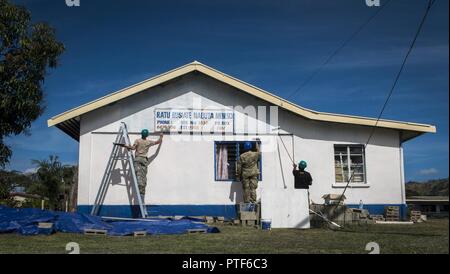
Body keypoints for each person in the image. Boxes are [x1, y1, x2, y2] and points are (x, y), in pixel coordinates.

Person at [119, 129, 163, 202]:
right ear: (147, 135)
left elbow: (133, 148)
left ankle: (140, 190)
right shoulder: (148, 142)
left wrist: (126, 146)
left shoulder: (137, 140)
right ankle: (142, 191)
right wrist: (161, 136)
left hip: (138, 159)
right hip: (144, 160)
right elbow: (158, 142)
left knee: (138, 175)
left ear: (141, 134)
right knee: (143, 176)